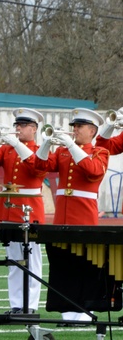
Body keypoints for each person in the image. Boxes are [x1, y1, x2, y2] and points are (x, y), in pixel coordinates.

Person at [30, 108, 110, 322]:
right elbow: (40, 166)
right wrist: (47, 143)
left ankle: (85, 310)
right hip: (62, 214)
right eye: (73, 126)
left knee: (84, 265)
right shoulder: (64, 151)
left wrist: (72, 145)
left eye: (79, 127)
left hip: (84, 214)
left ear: (92, 131)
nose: (74, 130)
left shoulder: (100, 152)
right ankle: (66, 308)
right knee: (63, 265)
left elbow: (93, 171)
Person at [0, 107, 47, 314]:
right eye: (17, 125)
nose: (18, 129)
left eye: (23, 126)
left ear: (34, 129)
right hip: (9, 209)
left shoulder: (39, 150)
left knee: (32, 260)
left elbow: (37, 167)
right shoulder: (7, 150)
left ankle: (29, 305)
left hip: (29, 209)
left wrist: (15, 143)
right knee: (13, 261)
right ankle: (15, 304)